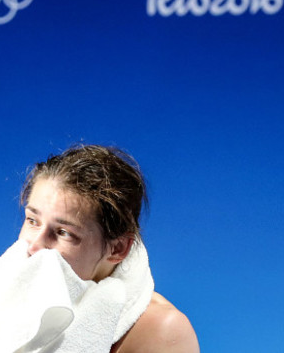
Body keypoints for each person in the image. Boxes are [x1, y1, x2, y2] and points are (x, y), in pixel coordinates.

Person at [18, 144, 199, 353]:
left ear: (118, 249)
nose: (34, 246)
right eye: (33, 220)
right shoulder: (3, 300)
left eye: (64, 232)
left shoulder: (162, 330)